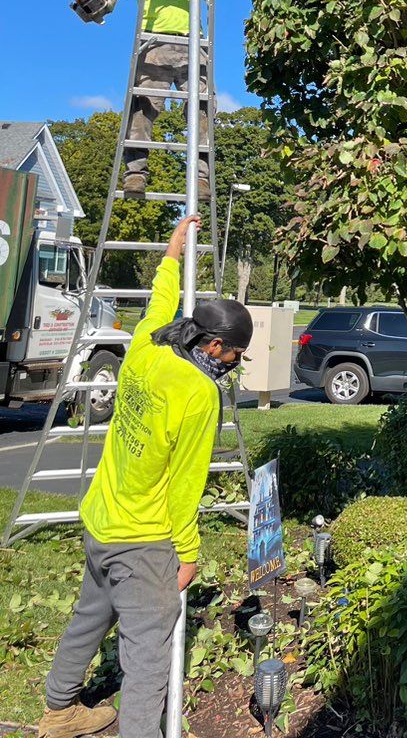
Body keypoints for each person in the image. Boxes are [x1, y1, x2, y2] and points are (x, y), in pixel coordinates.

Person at [38, 216, 252, 738]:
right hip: (142, 542)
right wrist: (188, 552)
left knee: (88, 620)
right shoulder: (200, 393)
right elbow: (185, 483)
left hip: (100, 521)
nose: (234, 364)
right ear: (217, 345)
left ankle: (60, 712)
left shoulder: (147, 347)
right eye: (236, 355)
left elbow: (159, 306)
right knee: (147, 661)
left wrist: (173, 254)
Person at [89, 0, 227, 200]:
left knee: (204, 110)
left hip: (193, 42)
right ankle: (135, 175)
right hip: (154, 43)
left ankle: (201, 179)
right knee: (143, 110)